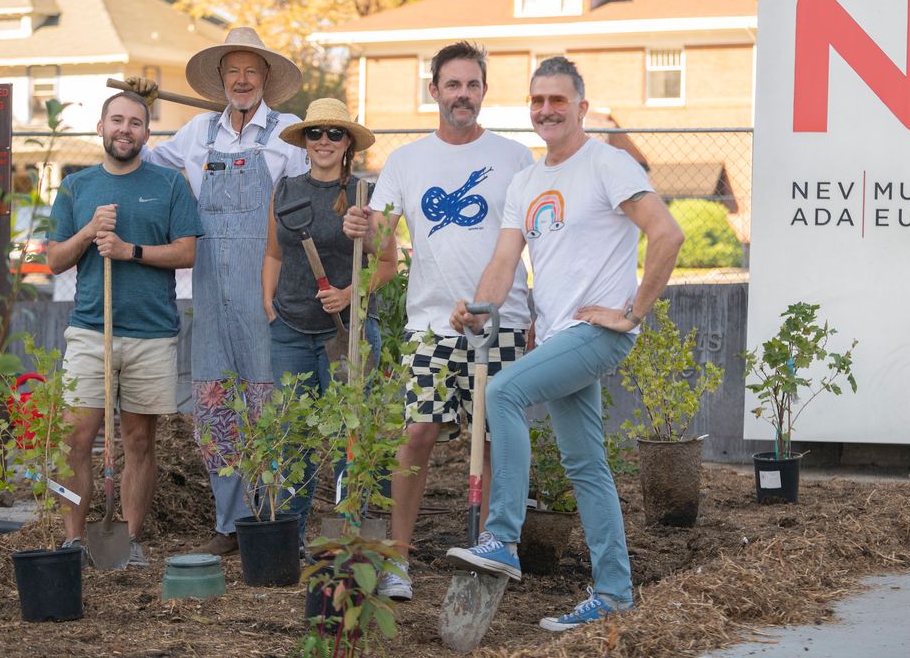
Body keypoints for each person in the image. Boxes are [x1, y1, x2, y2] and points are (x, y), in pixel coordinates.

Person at [445, 57, 684, 631]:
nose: (546, 110)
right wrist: (480, 308)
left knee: (501, 394)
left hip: (596, 332)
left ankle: (501, 535)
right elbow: (504, 262)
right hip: (556, 334)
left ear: (580, 105)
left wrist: (632, 313)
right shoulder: (526, 182)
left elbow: (667, 233)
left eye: (558, 100)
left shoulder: (608, 164)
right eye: (537, 101)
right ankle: (613, 593)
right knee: (586, 466)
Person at [342, 41, 533, 600]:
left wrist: (536, 314)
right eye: (453, 85)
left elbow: (533, 243)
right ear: (434, 91)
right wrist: (364, 226)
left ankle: (498, 551)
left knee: (496, 440)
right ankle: (398, 561)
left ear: (483, 92)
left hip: (502, 321)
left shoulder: (515, 158)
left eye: (472, 85)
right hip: (430, 325)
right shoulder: (407, 161)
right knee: (418, 433)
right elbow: (386, 241)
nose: (463, 95)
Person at [127, 28, 307, 555]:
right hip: (208, 284)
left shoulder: (290, 132)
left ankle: (272, 519)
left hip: (268, 284)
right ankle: (229, 523)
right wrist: (139, 108)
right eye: (234, 71)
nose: (243, 80)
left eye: (252, 71)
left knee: (269, 402)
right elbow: (147, 163)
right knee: (216, 407)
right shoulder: (198, 132)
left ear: (267, 78)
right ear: (222, 79)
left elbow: (313, 193)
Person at [48, 91, 202, 567]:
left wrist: (130, 250)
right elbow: (54, 260)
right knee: (76, 437)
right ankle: (74, 541)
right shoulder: (77, 188)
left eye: (136, 123)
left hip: (152, 333)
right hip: (92, 330)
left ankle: (129, 541)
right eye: (117, 120)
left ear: (146, 134)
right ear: (101, 127)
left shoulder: (170, 185)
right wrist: (90, 231)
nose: (125, 129)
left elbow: (186, 252)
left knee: (139, 440)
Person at [263, 98, 397, 542]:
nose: (324, 141)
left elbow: (387, 265)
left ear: (348, 144)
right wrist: (269, 303)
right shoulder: (285, 190)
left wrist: (350, 293)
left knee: (349, 436)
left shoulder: (365, 197)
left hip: (350, 334)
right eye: (315, 133)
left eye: (334, 134)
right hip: (290, 329)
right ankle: (289, 538)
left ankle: (351, 535)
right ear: (304, 141)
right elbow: (274, 252)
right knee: (292, 435)